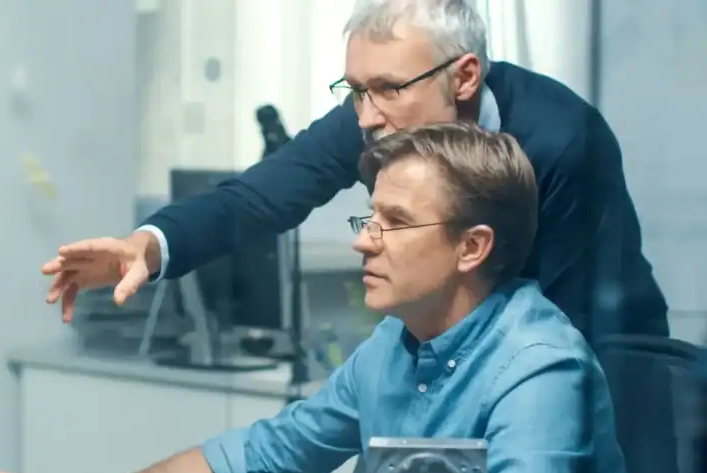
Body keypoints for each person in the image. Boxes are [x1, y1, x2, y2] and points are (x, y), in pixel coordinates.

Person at [0, 124, 644, 473]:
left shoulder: (542, 368)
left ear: (473, 247)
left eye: (394, 224)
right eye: (368, 218)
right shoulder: (394, 347)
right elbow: (257, 459)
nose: (363, 241)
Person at [41, 0, 668, 341]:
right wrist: (148, 246)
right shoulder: (376, 113)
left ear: (466, 76)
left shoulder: (563, 140)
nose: (366, 116)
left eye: (389, 89)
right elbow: (258, 197)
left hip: (609, 353)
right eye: (356, 90)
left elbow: (555, 321)